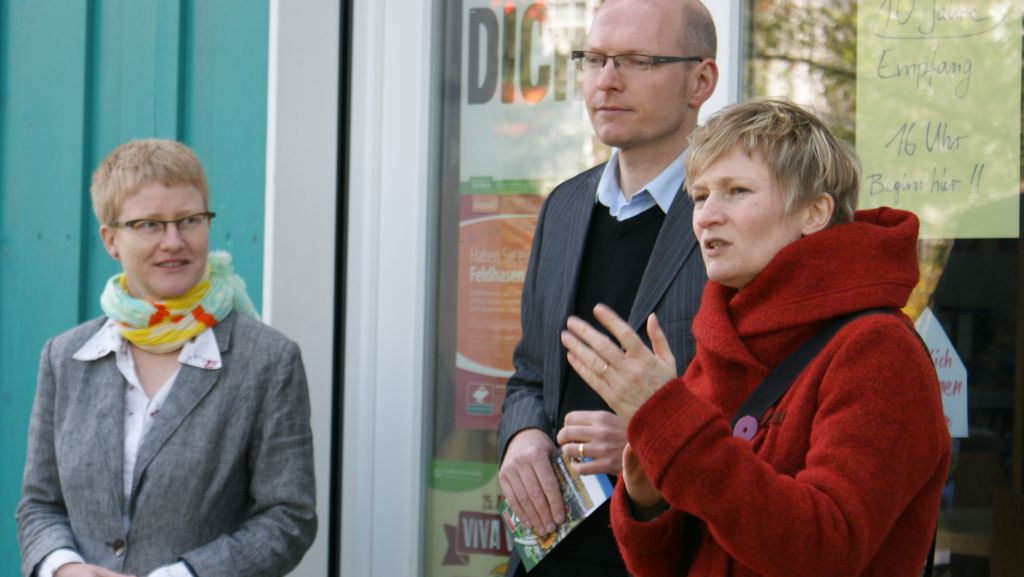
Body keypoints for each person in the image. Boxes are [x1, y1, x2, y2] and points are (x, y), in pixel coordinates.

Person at [560, 98, 951, 576]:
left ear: (814, 213)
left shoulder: (877, 351)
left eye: (737, 191)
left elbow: (823, 551)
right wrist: (649, 501)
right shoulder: (724, 337)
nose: (706, 216)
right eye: (700, 196)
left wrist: (671, 425)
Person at [17, 140, 317, 577]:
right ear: (111, 239)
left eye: (189, 220)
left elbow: (289, 517)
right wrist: (61, 567)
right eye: (150, 225)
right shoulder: (65, 358)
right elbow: (40, 503)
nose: (174, 242)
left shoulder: (268, 361)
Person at [496, 0, 718, 575]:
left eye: (638, 61)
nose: (607, 81)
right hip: (551, 552)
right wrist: (522, 437)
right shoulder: (564, 207)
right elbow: (530, 375)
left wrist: (652, 436)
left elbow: (767, 408)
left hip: (673, 552)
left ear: (701, 80)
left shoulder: (730, 214)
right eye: (594, 59)